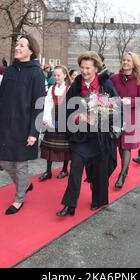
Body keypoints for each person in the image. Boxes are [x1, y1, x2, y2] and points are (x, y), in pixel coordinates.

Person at [56, 51, 118, 217]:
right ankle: (69, 204)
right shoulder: (76, 86)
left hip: (100, 137)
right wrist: (78, 117)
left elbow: (116, 109)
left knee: (99, 172)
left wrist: (99, 115)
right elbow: (66, 110)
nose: (84, 71)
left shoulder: (106, 85)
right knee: (75, 169)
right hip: (81, 137)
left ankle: (97, 199)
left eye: (88, 68)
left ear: (96, 68)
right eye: (82, 67)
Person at [0, 34, 46, 215]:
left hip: (24, 126)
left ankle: (19, 198)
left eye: (22, 45)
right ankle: (25, 184)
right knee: (5, 161)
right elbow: (1, 98)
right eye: (17, 44)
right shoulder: (10, 70)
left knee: (20, 165)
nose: (17, 47)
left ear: (31, 51)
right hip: (7, 125)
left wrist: (34, 132)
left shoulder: (36, 73)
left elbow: (39, 105)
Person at [111, 52, 140, 188]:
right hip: (116, 116)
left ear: (134, 63)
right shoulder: (114, 78)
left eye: (128, 61)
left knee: (126, 146)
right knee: (120, 144)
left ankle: (122, 174)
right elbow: (109, 94)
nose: (125, 62)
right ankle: (123, 168)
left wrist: (129, 101)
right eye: (124, 60)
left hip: (131, 117)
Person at [39, 66, 72, 181]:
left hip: (65, 119)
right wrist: (46, 119)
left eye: (58, 75)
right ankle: (48, 171)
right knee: (50, 146)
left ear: (64, 75)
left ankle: (64, 170)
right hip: (53, 117)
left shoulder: (69, 89)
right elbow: (48, 104)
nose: (56, 77)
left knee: (65, 147)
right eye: (55, 75)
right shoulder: (51, 88)